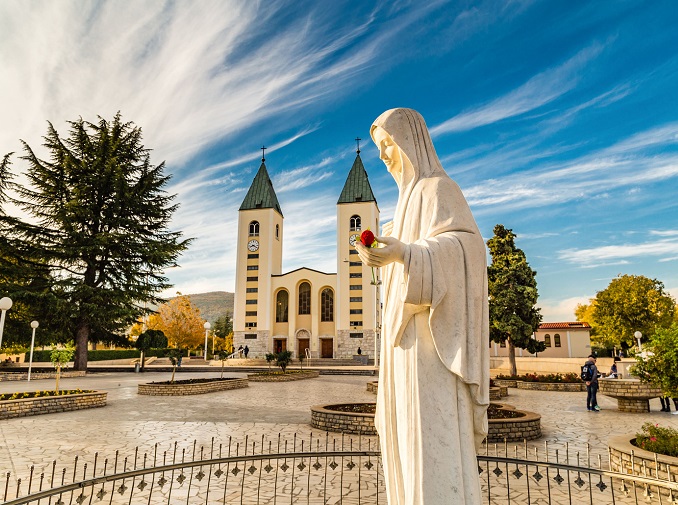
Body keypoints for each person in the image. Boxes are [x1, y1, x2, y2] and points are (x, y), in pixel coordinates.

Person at [356, 108, 489, 505]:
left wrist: (407, 254)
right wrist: (385, 253)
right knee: (405, 438)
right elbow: (405, 256)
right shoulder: (404, 204)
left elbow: (468, 250)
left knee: (429, 437)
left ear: (410, 142)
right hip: (402, 346)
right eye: (379, 147)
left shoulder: (438, 190)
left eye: (387, 145)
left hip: (431, 345)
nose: (383, 156)